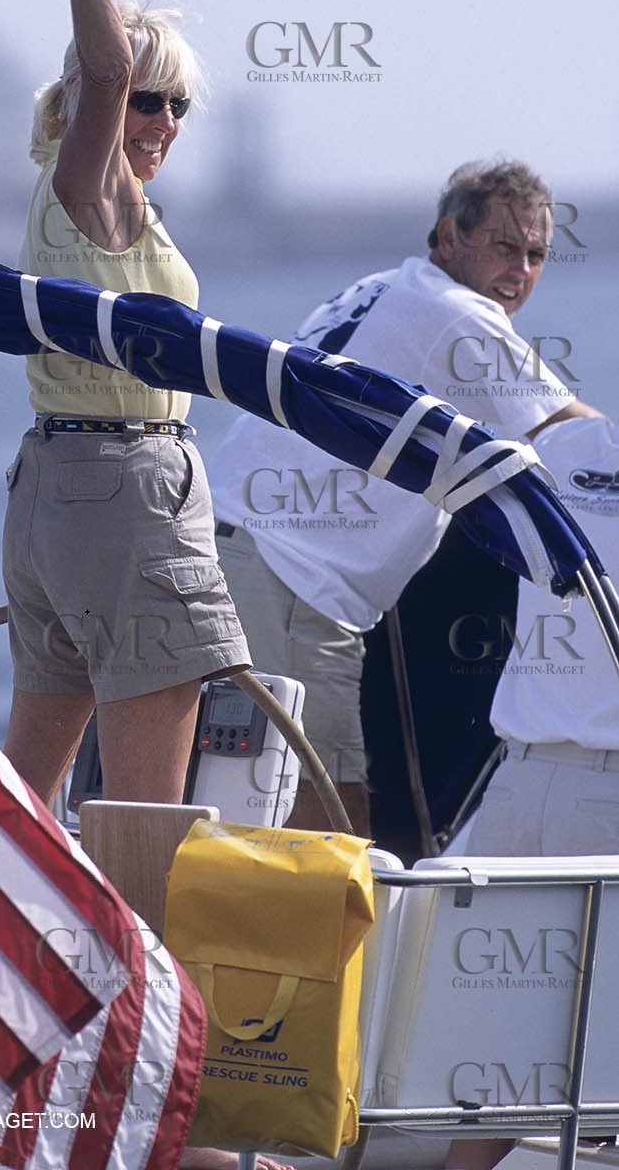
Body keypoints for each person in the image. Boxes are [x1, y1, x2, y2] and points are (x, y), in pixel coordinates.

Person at [207, 160, 603, 836]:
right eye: (505, 246)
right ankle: (340, 947)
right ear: (449, 237)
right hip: (294, 581)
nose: (523, 270)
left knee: (232, 787)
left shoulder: (381, 288)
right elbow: (581, 441)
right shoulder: (456, 317)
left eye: (538, 254)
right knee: (336, 812)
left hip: (222, 543)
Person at [0, 0, 252, 811]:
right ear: (91, 104)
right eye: (148, 99)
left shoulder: (98, 205)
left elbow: (109, 76)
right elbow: (102, 70)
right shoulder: (87, 186)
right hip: (127, 492)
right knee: (151, 816)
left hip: (50, 493)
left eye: (178, 103)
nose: (165, 118)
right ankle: (135, 965)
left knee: (24, 793)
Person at [445, 414, 619, 1170]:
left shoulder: (559, 450)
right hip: (604, 800)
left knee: (498, 1036)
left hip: (516, 788)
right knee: (590, 1038)